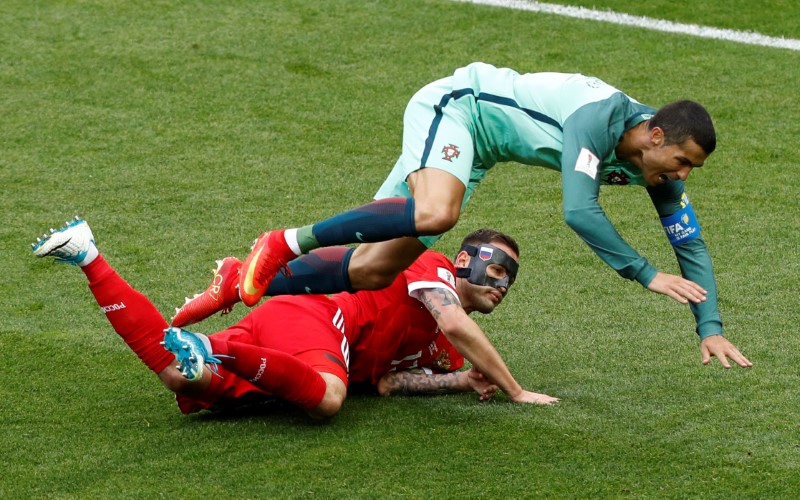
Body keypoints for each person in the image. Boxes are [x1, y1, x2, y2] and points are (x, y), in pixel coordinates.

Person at [175, 62, 750, 369]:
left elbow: (691, 247)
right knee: (436, 214)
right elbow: (579, 210)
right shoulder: (597, 120)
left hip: (481, 153)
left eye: (690, 169)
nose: (682, 177)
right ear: (653, 134)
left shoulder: (657, 170)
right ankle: (284, 240)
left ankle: (242, 278)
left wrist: (711, 328)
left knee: (375, 269)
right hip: (457, 109)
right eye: (679, 161)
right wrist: (645, 274)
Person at [31, 217, 557, 419]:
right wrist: (515, 389)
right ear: (466, 260)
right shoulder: (431, 266)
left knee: (179, 374)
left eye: (511, 278)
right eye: (498, 268)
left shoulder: (443, 353)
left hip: (293, 347)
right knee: (330, 398)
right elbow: (455, 322)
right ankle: (221, 330)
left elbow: (393, 383)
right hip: (317, 318)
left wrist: (461, 379)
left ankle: (87, 255)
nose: (503, 283)